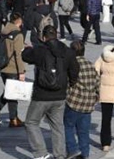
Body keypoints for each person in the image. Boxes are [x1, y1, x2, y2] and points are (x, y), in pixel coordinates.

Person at [22, 25, 80, 159]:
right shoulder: (67, 51)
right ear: (57, 35)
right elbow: (74, 70)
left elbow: (25, 56)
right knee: (57, 126)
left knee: (31, 122)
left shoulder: (40, 50)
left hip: (41, 95)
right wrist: (71, 83)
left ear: (43, 37)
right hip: (59, 95)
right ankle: (59, 155)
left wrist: (27, 48)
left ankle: (41, 153)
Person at [0, 12, 26, 127]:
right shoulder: (18, 34)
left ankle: (2, 115)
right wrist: (21, 72)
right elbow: (18, 55)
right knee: (12, 94)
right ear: (19, 21)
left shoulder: (4, 31)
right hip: (13, 68)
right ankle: (10, 118)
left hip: (3, 67)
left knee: (9, 93)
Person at [64, 40, 100, 159]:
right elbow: (98, 84)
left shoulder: (71, 65)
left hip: (74, 102)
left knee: (68, 127)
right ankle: (85, 154)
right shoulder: (90, 65)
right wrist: (95, 98)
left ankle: (72, 150)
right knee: (84, 132)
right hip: (88, 104)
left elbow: (67, 83)